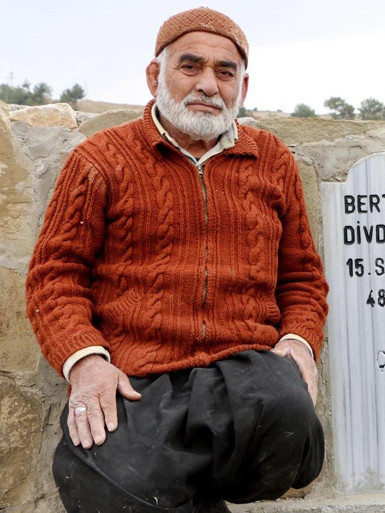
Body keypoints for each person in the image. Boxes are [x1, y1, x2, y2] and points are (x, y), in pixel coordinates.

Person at [25, 7, 329, 513]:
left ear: (242, 87)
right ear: (155, 76)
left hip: (245, 367)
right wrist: (86, 362)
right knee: (109, 487)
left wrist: (299, 340)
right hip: (138, 377)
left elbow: (302, 276)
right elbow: (54, 277)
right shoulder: (100, 159)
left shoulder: (272, 159)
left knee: (293, 429)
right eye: (190, 66)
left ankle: (186, 477)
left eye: (225, 72)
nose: (208, 85)